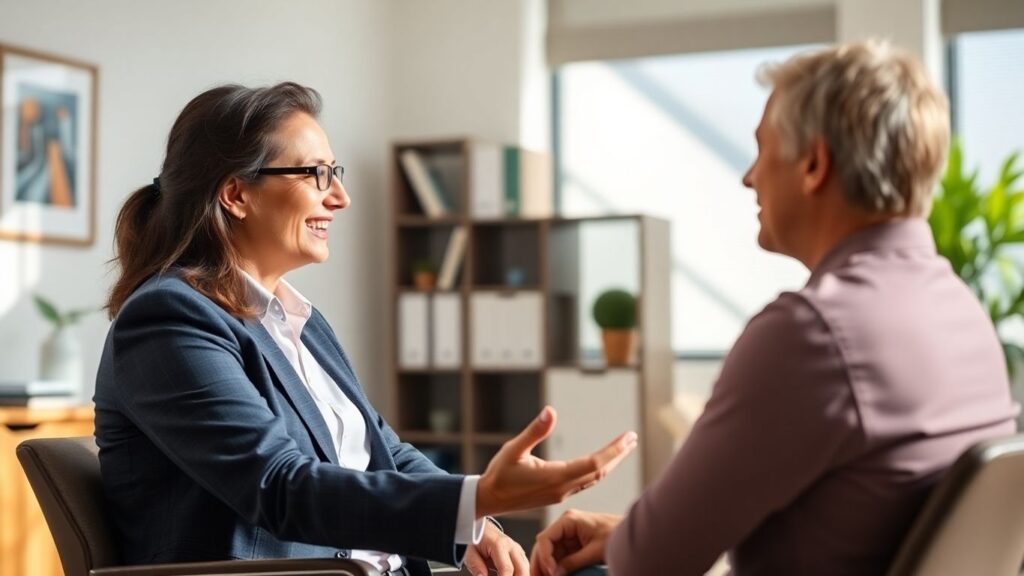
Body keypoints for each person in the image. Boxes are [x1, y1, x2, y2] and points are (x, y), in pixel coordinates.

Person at [93, 82, 638, 576]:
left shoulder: (299, 320)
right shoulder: (168, 319)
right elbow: (279, 488)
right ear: (236, 195)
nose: (340, 197)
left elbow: (384, 450)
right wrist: (477, 498)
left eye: (337, 173)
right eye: (316, 174)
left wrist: (476, 525)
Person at [530, 40, 1019, 576]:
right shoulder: (964, 315)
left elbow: (651, 563)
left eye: (763, 149)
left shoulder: (812, 334)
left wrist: (633, 542)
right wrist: (630, 534)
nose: (749, 176)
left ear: (813, 165)